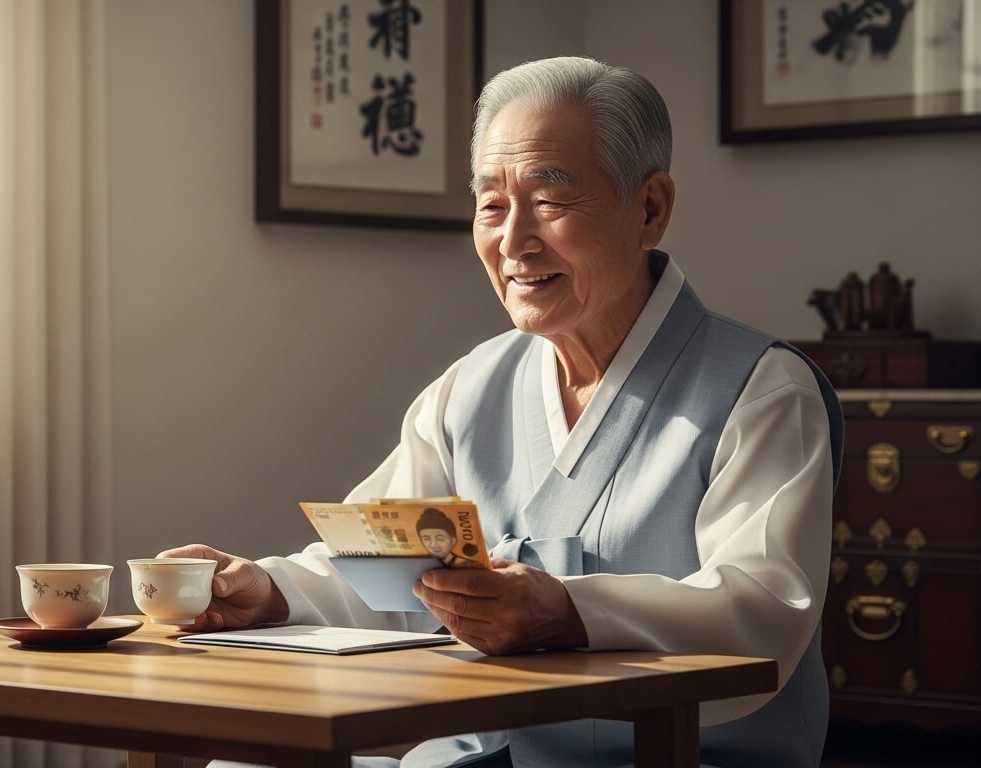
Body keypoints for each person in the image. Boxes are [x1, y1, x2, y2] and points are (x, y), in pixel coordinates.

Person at [162, 56, 841, 768]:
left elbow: (766, 611)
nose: (513, 242)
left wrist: (568, 610)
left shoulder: (761, 389)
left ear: (650, 209)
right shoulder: (472, 387)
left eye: (548, 201)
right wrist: (267, 591)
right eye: (491, 203)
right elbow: (383, 567)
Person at [415, 507, 481, 568]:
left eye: (440, 539)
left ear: (453, 541)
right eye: (426, 539)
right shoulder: (419, 565)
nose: (433, 545)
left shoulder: (466, 564)